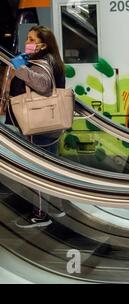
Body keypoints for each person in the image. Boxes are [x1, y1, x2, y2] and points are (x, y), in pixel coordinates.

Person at [8, 25, 66, 228]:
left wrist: (21, 70)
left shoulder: (41, 62)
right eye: (27, 39)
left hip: (38, 123)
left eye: (32, 39)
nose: (27, 43)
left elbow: (43, 86)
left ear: (43, 44)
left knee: (37, 171)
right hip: (50, 123)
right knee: (52, 168)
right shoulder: (53, 60)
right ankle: (56, 207)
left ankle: (41, 215)